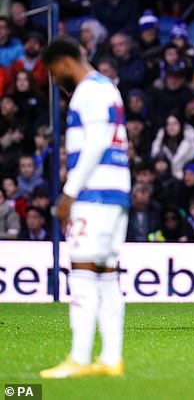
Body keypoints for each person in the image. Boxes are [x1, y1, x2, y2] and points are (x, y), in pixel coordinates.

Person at [40, 36, 131, 377]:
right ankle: (110, 358)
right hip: (116, 191)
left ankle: (79, 358)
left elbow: (96, 142)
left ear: (64, 62)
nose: (54, 79)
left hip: (93, 194)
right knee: (107, 275)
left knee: (81, 272)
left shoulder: (87, 91)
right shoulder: (107, 87)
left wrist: (70, 193)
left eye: (53, 72)